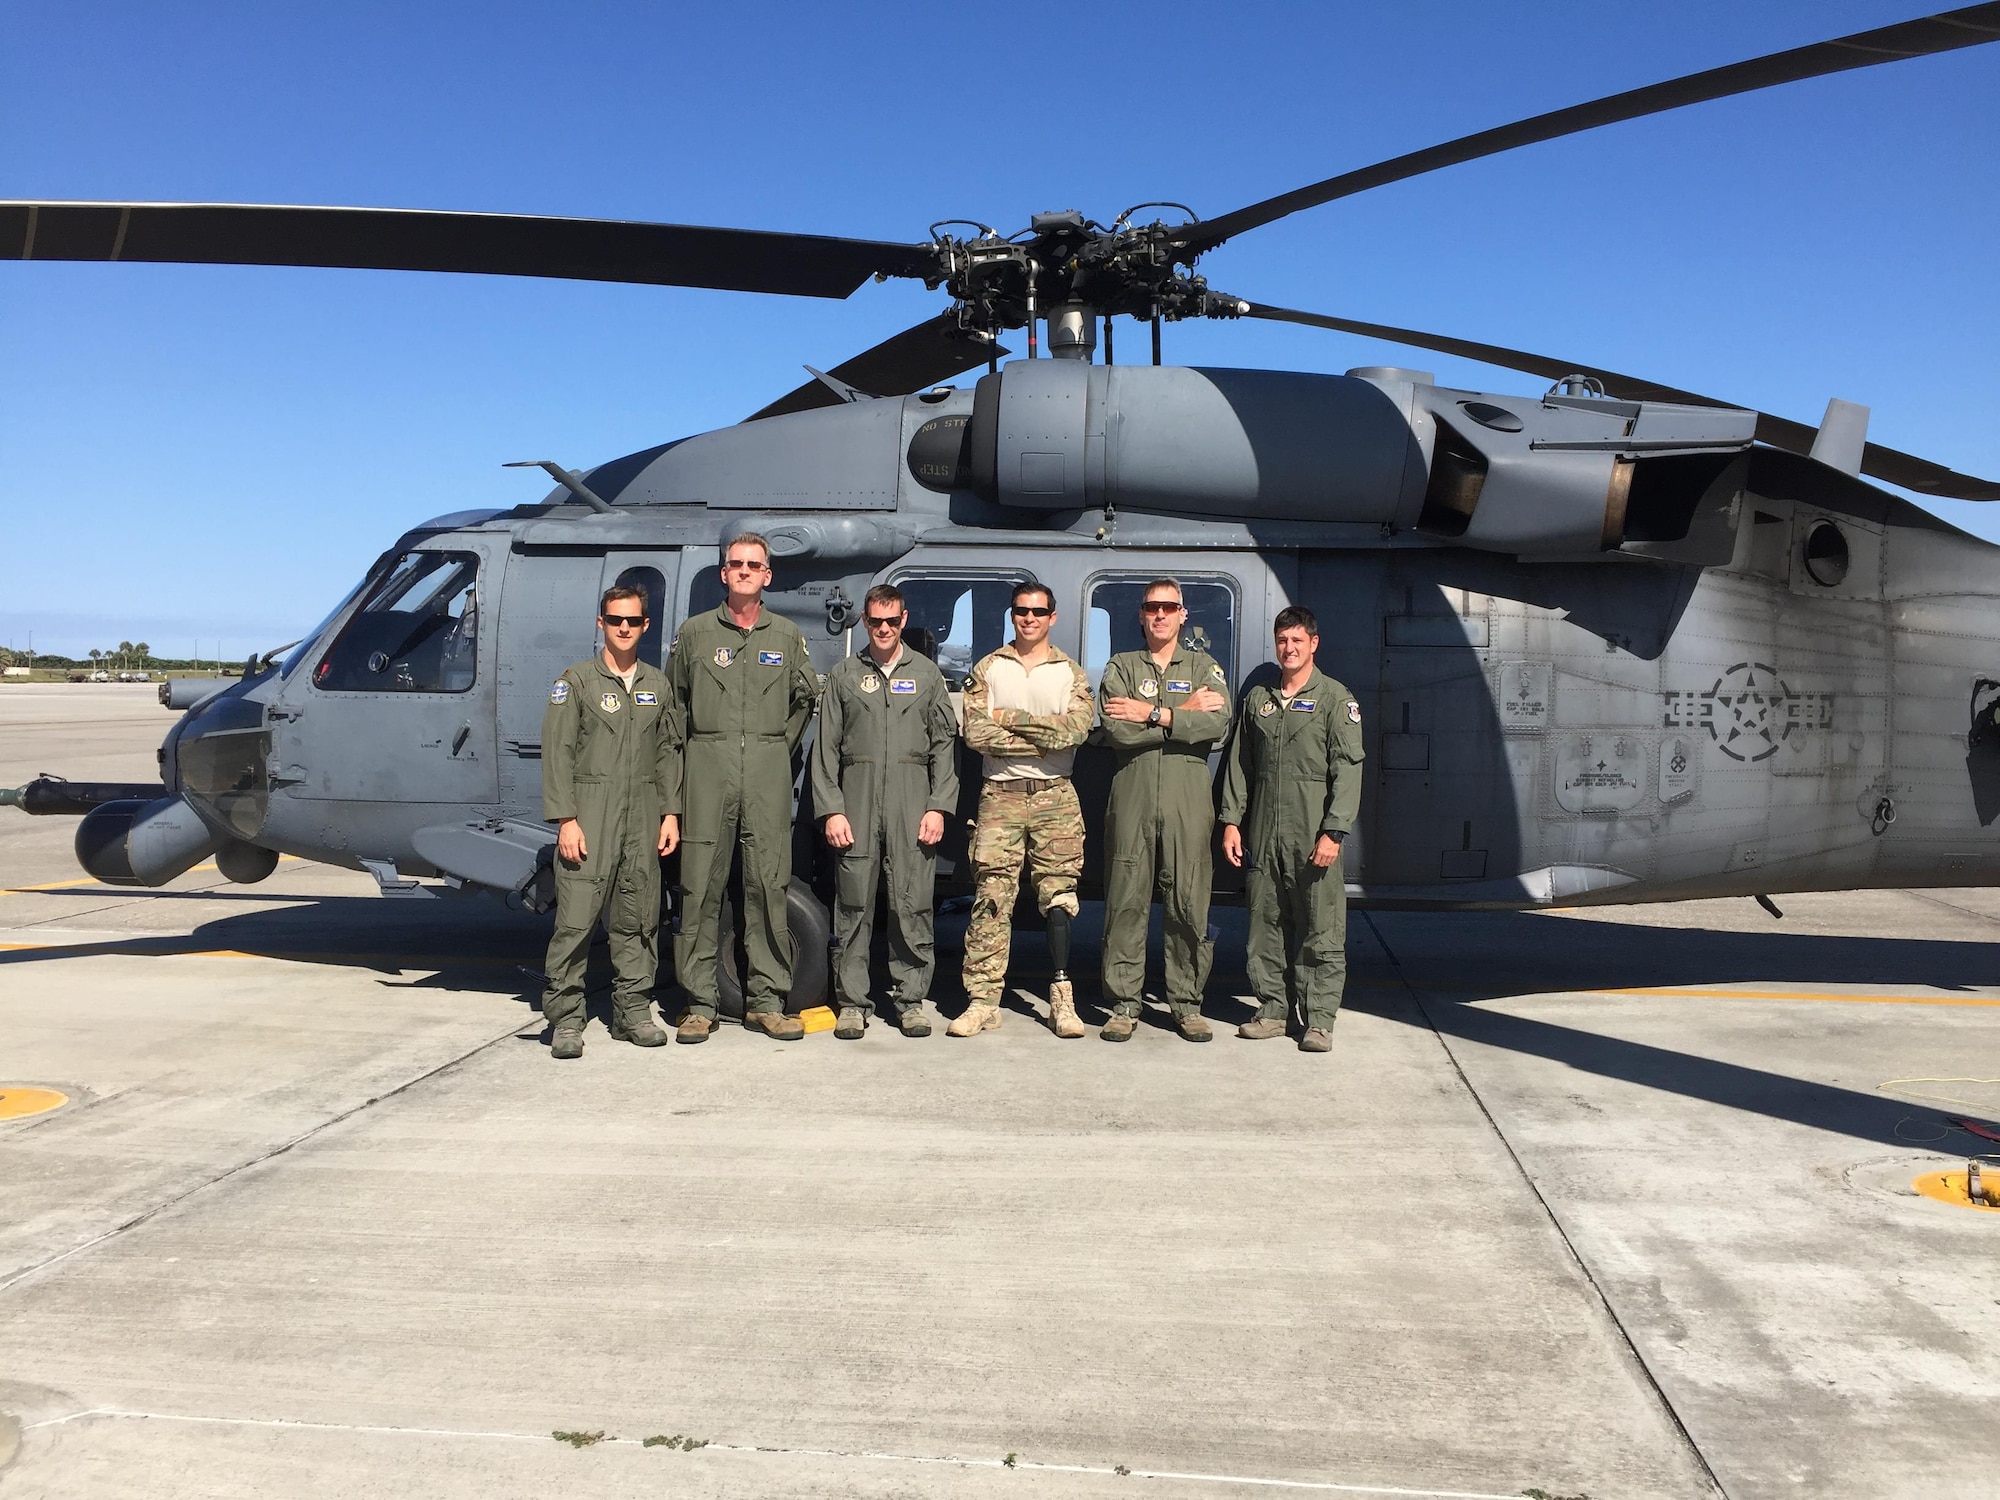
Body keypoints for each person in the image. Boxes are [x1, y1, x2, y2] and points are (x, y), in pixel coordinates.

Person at [660, 533, 820, 1043]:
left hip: (767, 774)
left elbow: (803, 702)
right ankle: (700, 1002)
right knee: (700, 889)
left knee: (768, 887)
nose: (746, 571)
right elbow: (674, 711)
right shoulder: (696, 635)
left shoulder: (787, 636)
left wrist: (774, 749)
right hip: (707, 770)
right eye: (736, 564)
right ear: (723, 574)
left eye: (755, 564)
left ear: (767, 575)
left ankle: (767, 1000)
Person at [810, 583, 959, 1039]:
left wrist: (938, 806)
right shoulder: (844, 676)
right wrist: (832, 810)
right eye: (876, 621)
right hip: (856, 799)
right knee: (853, 904)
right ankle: (853, 1002)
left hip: (912, 801)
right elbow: (826, 750)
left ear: (903, 620)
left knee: (911, 903)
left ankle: (910, 999)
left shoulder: (928, 675)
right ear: (865, 622)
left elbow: (943, 749)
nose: (884, 629)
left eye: (893, 621)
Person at [540, 584, 679, 1060]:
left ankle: (633, 1012)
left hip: (642, 813)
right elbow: (557, 753)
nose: (624, 628)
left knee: (638, 919)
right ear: (601, 623)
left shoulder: (657, 686)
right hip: (591, 813)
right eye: (616, 620)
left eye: (633, 621)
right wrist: (566, 819)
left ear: (645, 625)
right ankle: (566, 1018)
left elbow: (668, 756)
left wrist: (670, 814)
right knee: (576, 920)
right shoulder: (576, 682)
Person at [1218, 605, 1364, 1053]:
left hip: (1312, 834)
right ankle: (1273, 1011)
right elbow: (1241, 766)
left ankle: (1319, 1021)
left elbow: (1348, 769)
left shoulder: (1336, 699)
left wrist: (1333, 831)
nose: (1289, 648)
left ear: (1313, 644)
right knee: (1266, 925)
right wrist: (1231, 821)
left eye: (1298, 640)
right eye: (1283, 640)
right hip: (1264, 832)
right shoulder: (1259, 698)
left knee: (1322, 928)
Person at [953, 581, 1095, 1038]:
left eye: (1038, 612)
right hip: (1001, 796)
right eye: (1021, 611)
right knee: (992, 897)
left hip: (1056, 797)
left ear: (1052, 617)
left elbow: (1074, 732)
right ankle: (982, 1000)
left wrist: (1009, 718)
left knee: (1059, 899)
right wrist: (1041, 737)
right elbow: (976, 735)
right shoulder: (989, 668)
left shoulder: (1070, 672)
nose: (1028, 619)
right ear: (1012, 615)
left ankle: (1061, 999)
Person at [1096, 579, 1233, 1043]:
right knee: (1125, 902)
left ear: (1183, 614)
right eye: (1152, 607)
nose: (1160, 615)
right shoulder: (1121, 666)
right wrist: (1180, 715)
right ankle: (1122, 1004)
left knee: (1188, 902)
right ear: (1140, 615)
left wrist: (1153, 714)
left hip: (1187, 802)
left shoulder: (1204, 667)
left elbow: (1216, 722)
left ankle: (1187, 1004)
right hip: (1132, 799)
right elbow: (1117, 731)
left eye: (1168, 607)